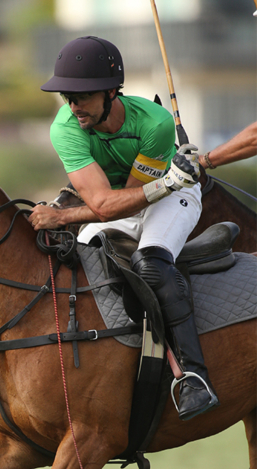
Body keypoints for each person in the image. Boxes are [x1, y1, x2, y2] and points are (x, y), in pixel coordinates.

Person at [28, 36, 218, 421]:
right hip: (125, 199)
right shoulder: (65, 127)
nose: (73, 105)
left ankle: (194, 375)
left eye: (82, 96)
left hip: (171, 196)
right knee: (69, 261)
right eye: (67, 96)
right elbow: (106, 205)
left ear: (112, 92)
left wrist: (63, 215)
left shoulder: (156, 124)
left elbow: (124, 201)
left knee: (150, 262)